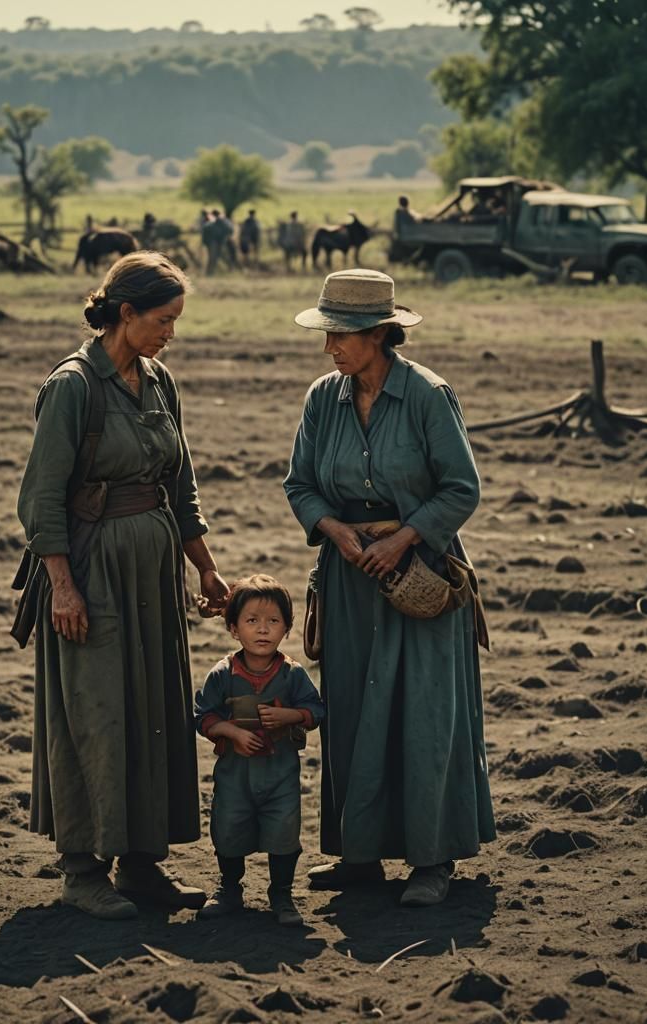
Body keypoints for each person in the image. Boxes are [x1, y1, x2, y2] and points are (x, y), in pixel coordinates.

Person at [15, 251, 230, 920]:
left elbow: (181, 484)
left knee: (154, 711)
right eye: (163, 320)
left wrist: (204, 564)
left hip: (153, 572)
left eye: (177, 321)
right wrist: (64, 587)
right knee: (97, 710)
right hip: (92, 570)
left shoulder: (161, 381)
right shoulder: (73, 386)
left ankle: (142, 863)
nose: (172, 333)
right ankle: (83, 869)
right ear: (126, 313)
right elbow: (41, 499)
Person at [284, 268, 495, 908]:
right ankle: (361, 856)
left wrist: (401, 538)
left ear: (380, 333)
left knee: (425, 716)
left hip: (420, 580)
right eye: (326, 335)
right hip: (350, 586)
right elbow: (300, 484)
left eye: (341, 335)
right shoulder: (324, 398)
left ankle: (433, 860)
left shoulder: (430, 396)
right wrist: (338, 534)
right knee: (350, 713)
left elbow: (463, 488)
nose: (330, 349)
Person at [194, 575, 324, 927]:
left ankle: (281, 893)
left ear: (286, 627)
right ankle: (229, 888)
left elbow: (317, 710)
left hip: (280, 774)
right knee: (228, 827)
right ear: (234, 628)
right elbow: (202, 715)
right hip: (235, 774)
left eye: (273, 622)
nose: (263, 630)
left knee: (283, 831)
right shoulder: (222, 674)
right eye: (252, 621)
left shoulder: (293, 675)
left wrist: (290, 715)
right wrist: (230, 731)